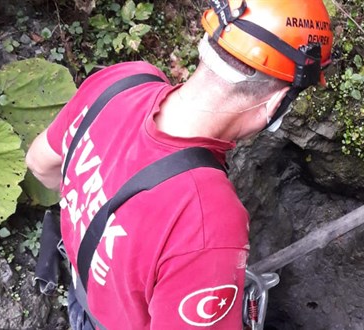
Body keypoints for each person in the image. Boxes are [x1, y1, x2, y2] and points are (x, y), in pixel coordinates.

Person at [25, 0, 333, 328]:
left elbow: (40, 163)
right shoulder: (208, 221)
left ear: (209, 45)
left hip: (82, 297)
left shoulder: (122, 81)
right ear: (275, 102)